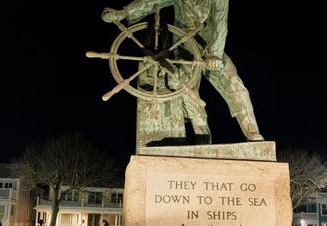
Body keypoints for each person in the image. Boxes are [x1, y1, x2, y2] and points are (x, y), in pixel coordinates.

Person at [102, 0, 263, 141]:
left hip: (210, 46)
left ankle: (252, 132)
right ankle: (202, 137)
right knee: (186, 88)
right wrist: (123, 13)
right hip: (184, 47)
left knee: (232, 80)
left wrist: (215, 54)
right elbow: (151, 1)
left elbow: (221, 22)